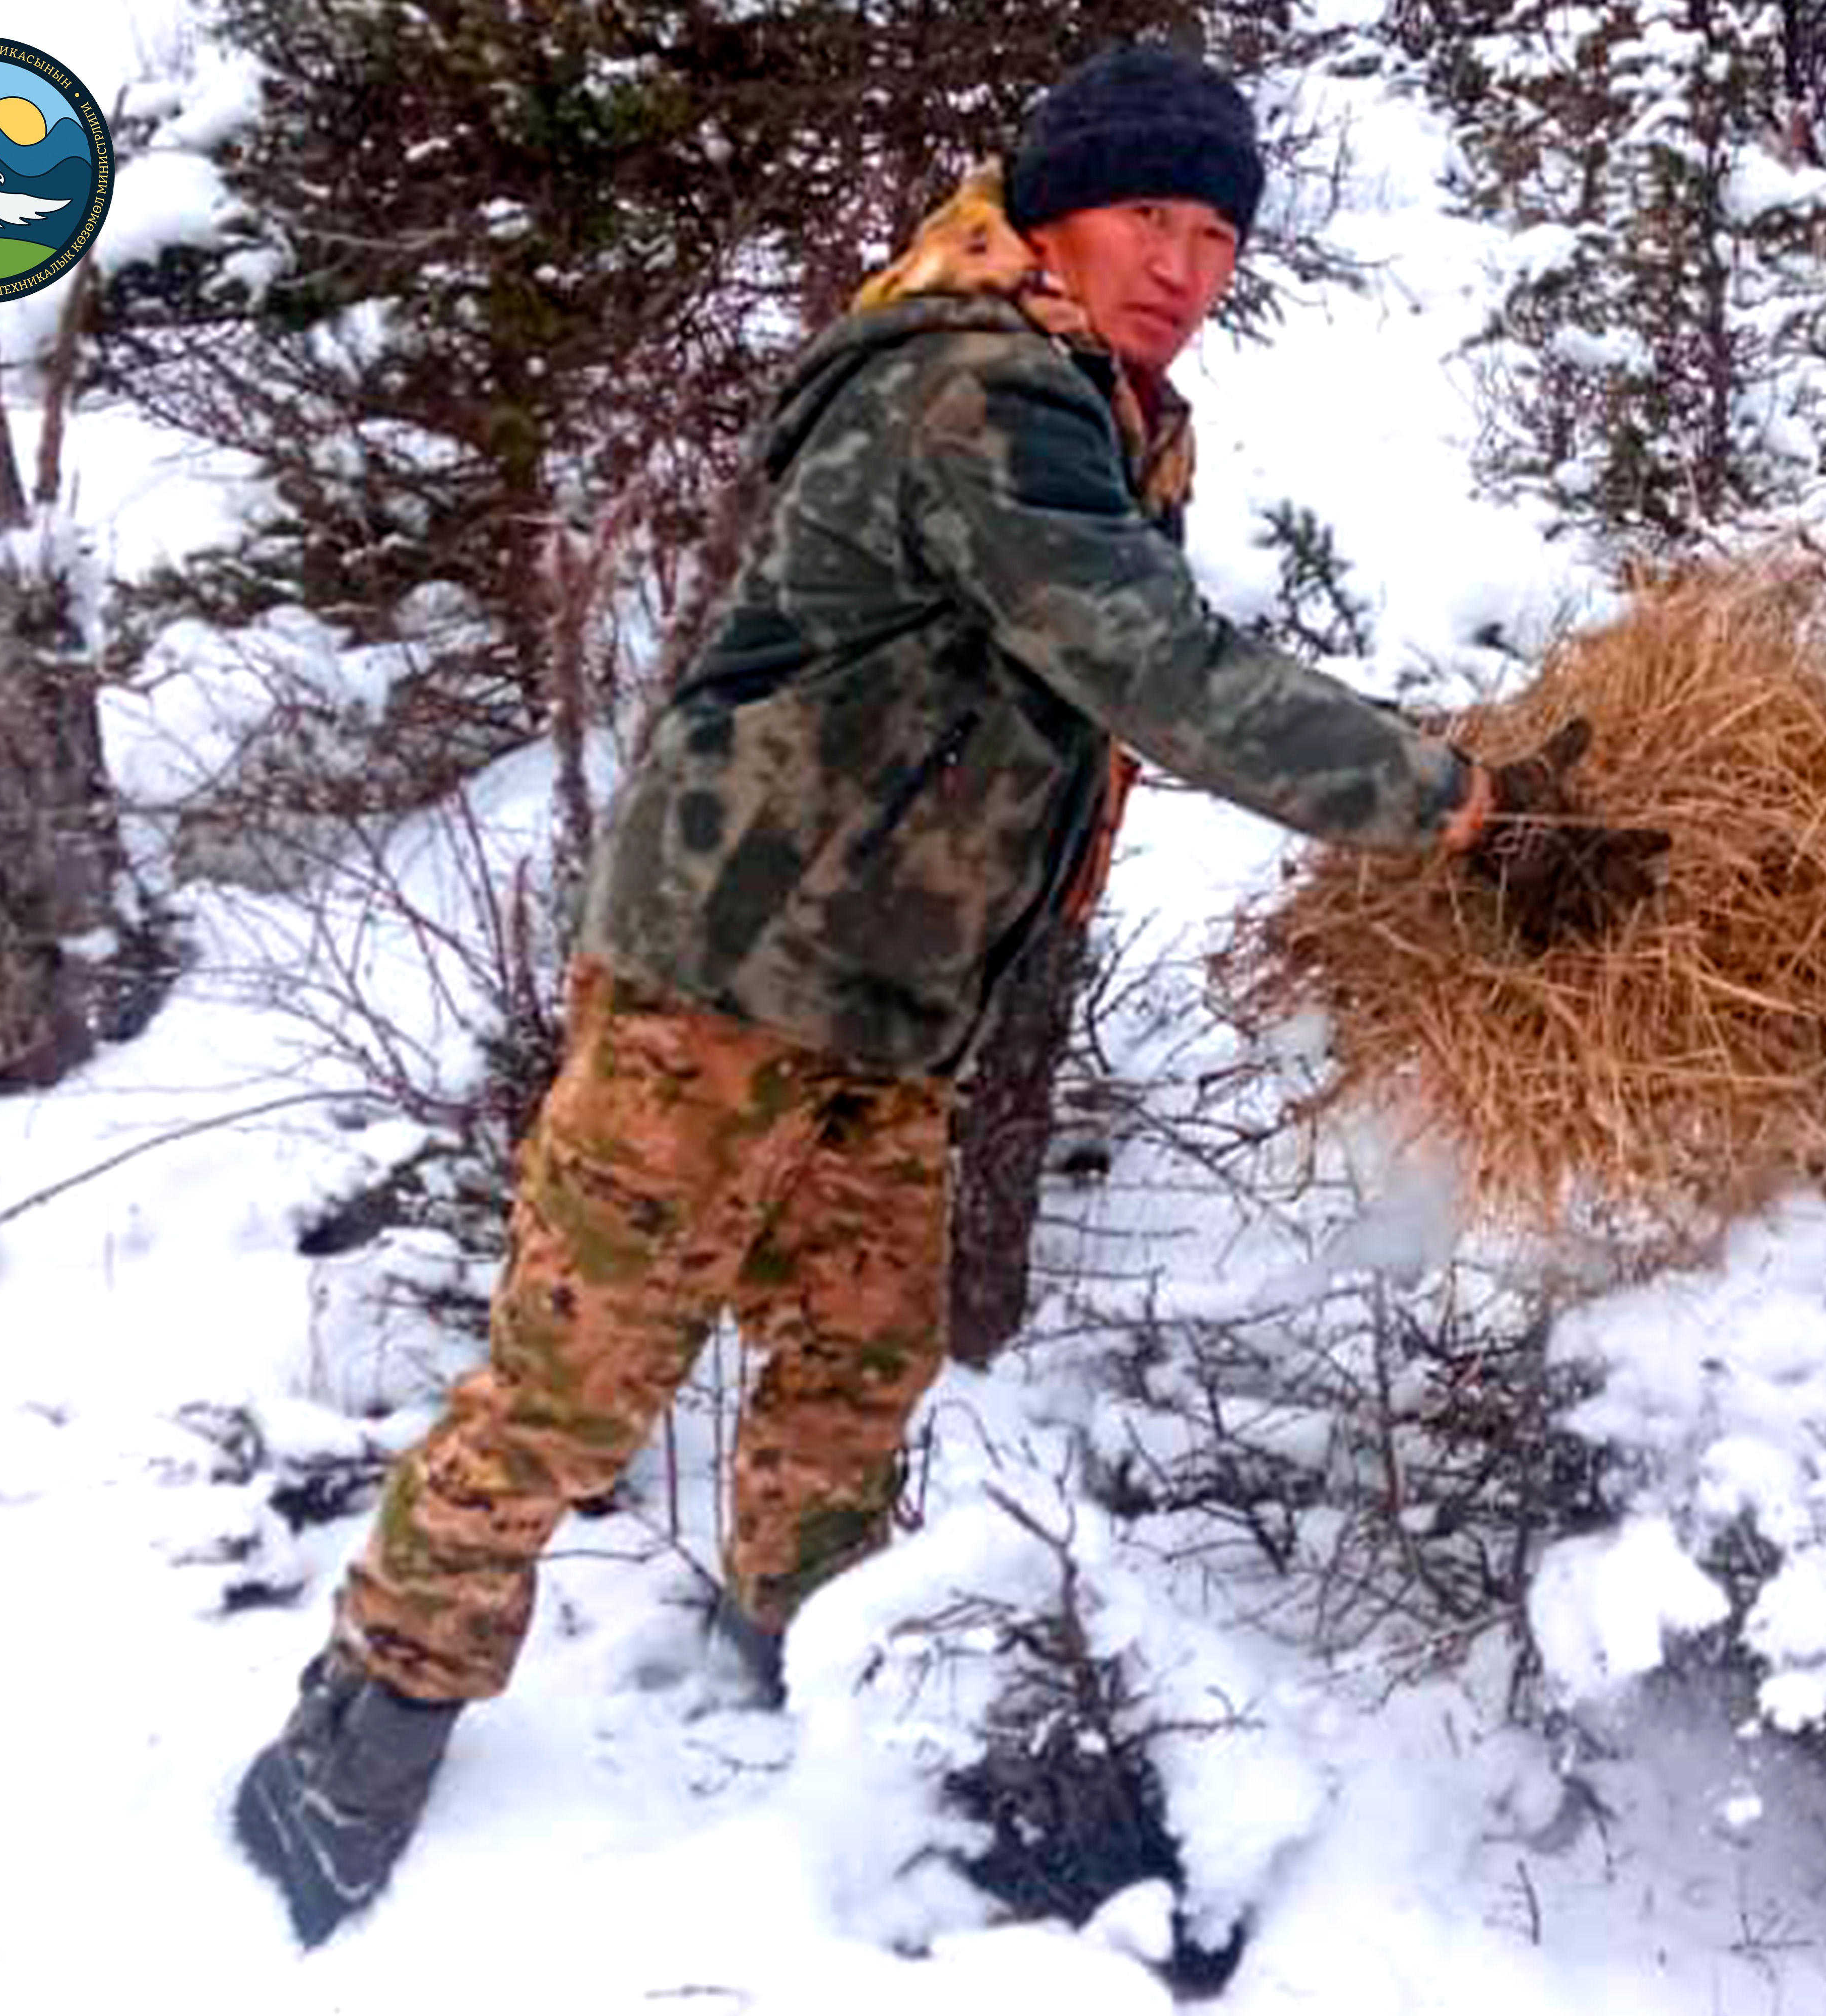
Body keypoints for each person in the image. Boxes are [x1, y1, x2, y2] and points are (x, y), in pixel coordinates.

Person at [231, 42, 1664, 1948]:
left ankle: (807, 1666)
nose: (1185, 261)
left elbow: (1094, 696)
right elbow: (1155, 667)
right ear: (1051, 205)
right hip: (723, 978)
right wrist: (1462, 806)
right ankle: (362, 1731)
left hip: (891, 993)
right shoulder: (971, 391)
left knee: (855, 1365)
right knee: (578, 1387)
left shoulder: (1106, 407)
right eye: (1149, 212)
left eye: (1219, 229)